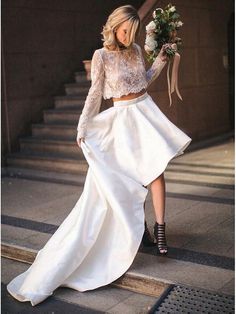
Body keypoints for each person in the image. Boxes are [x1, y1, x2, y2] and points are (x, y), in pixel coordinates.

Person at [6, 5, 192, 306]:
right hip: (119, 121)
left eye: (132, 32)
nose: (128, 36)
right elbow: (95, 94)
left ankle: (160, 231)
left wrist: (160, 59)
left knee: (156, 172)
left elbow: (144, 80)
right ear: (115, 26)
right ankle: (139, 228)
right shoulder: (101, 56)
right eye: (124, 31)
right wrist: (82, 125)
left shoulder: (134, 50)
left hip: (143, 114)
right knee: (125, 181)